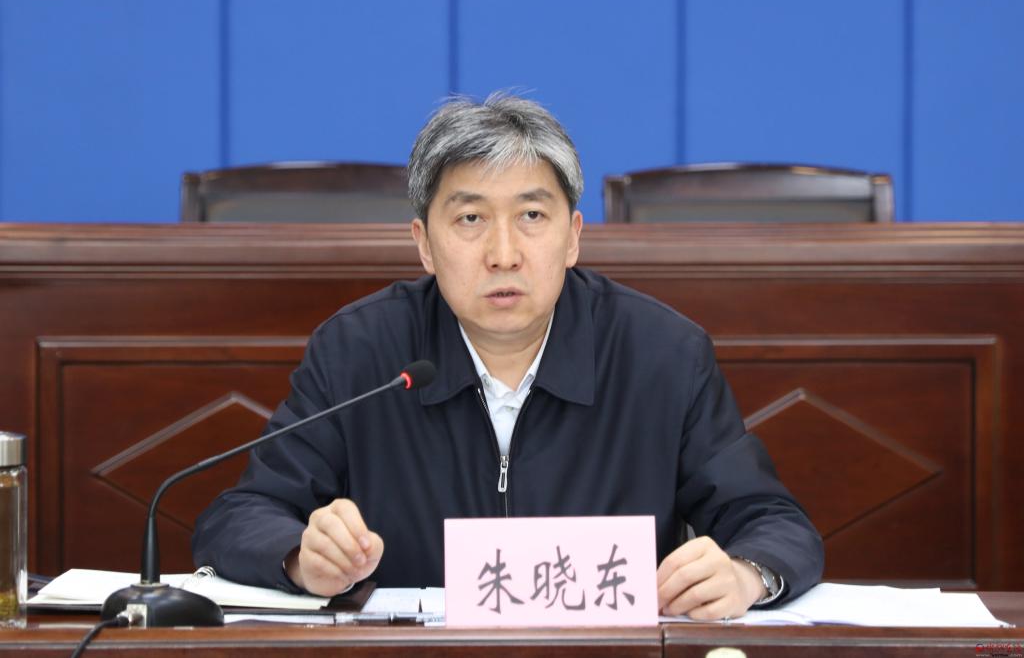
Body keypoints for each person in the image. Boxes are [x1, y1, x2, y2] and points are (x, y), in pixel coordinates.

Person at [192, 93, 823, 620]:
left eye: (532, 215)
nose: (503, 254)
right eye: (470, 218)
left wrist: (746, 574)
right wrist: (301, 556)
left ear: (573, 237)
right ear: (424, 244)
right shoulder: (359, 352)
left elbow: (773, 522)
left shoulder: (662, 355)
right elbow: (240, 516)